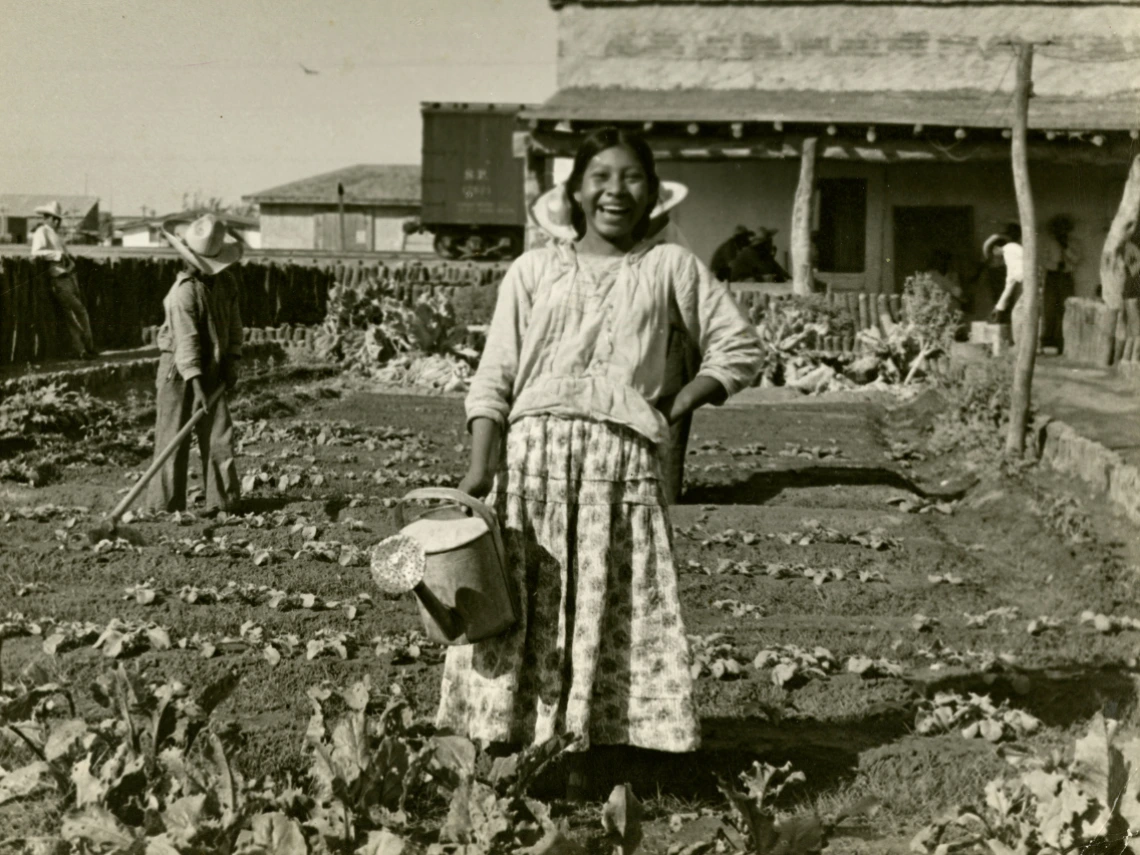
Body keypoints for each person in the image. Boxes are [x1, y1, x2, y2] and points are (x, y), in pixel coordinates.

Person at [441, 128, 763, 785]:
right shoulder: (532, 269)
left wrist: (674, 404)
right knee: (524, 603)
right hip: (533, 460)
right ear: (576, 190)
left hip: (622, 463)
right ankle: (504, 740)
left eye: (632, 177)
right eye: (601, 176)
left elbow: (739, 345)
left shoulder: (672, 266)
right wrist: (480, 465)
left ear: (653, 193)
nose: (617, 191)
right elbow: (495, 373)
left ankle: (599, 748)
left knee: (613, 599)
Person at [145, 213, 244, 517]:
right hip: (178, 371)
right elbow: (186, 343)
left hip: (212, 366)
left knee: (219, 435)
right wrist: (197, 385)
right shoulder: (183, 292)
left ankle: (222, 503)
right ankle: (165, 507)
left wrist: (232, 360)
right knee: (173, 438)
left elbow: (235, 326)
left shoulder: (225, 284)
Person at [29, 200, 97, 359]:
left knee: (75, 313)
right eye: (55, 219)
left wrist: (69, 261)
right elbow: (36, 252)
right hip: (58, 279)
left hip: (68, 277)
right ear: (48, 218)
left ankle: (85, 348)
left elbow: (65, 254)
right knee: (76, 312)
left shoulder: (55, 234)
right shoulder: (42, 232)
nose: (57, 222)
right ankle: (83, 349)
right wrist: (57, 255)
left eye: (57, 219)